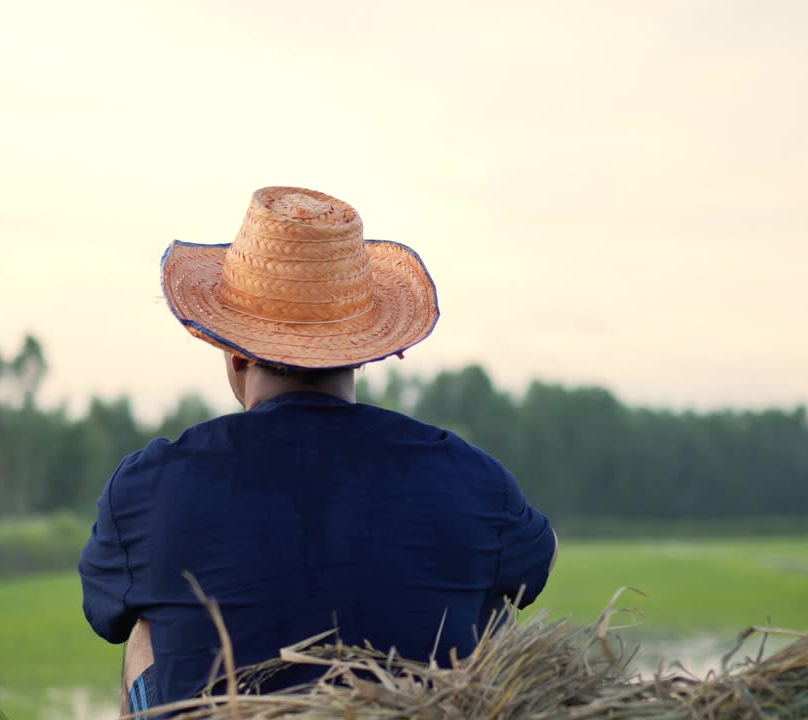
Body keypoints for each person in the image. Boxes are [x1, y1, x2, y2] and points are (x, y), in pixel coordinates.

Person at [78, 186, 556, 714]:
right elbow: (538, 562)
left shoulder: (149, 486)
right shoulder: (473, 479)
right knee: (494, 605)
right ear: (362, 353)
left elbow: (106, 614)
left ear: (234, 355)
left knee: (144, 628)